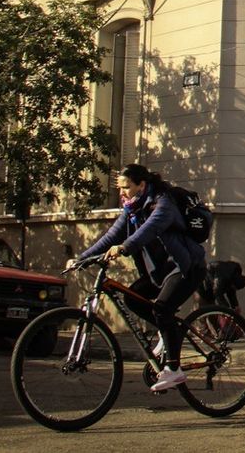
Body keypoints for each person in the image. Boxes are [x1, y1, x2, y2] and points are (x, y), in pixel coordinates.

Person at [67, 163, 205, 392]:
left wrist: (124, 247)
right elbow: (111, 235)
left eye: (126, 187)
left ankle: (174, 370)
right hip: (160, 271)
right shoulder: (132, 209)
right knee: (132, 298)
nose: (121, 193)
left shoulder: (163, 203)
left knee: (161, 308)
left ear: (142, 185)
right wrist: (82, 258)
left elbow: (149, 230)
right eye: (120, 188)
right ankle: (168, 331)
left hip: (185, 267)